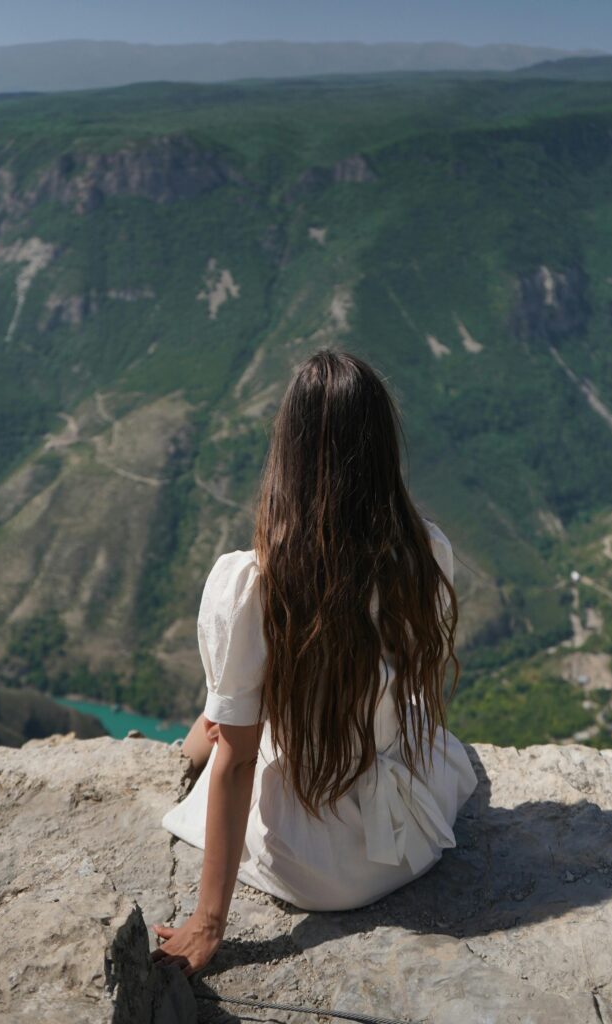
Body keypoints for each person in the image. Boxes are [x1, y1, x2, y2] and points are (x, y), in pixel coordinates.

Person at [153, 349, 477, 976]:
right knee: (447, 749)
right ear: (383, 449)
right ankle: (200, 732)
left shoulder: (256, 585)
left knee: (231, 720)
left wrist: (207, 922)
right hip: (403, 846)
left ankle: (190, 741)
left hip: (310, 865)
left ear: (289, 454)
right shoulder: (426, 555)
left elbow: (240, 755)